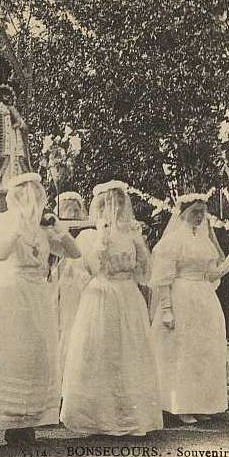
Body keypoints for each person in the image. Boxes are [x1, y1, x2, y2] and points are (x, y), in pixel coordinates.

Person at [0, 172, 81, 445]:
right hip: (13, 293)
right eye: (28, 194)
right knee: (15, 354)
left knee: (37, 354)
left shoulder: (45, 226)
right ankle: (11, 420)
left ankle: (31, 420)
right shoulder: (8, 222)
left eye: (37, 194)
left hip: (37, 292)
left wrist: (59, 230)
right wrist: (16, 228)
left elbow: (74, 254)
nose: (34, 200)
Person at [60, 181, 162, 436]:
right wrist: (103, 240)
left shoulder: (131, 235)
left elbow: (143, 273)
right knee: (101, 352)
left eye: (119, 203)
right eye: (109, 204)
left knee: (129, 352)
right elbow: (87, 269)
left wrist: (139, 250)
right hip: (102, 295)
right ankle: (97, 418)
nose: (115, 209)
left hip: (127, 295)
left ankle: (130, 416)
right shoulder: (89, 236)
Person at [150, 194, 229, 425]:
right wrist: (167, 309)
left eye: (202, 212)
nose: (199, 217)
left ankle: (200, 403)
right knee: (182, 350)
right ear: (183, 213)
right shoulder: (173, 241)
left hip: (204, 298)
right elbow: (164, 278)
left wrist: (226, 267)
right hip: (181, 296)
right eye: (194, 212)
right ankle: (179, 405)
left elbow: (209, 275)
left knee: (203, 350)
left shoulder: (205, 241)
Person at [51, 192, 91, 381]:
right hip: (62, 281)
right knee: (61, 322)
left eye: (76, 209)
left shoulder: (86, 234)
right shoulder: (56, 232)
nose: (73, 213)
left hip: (78, 282)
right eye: (68, 209)